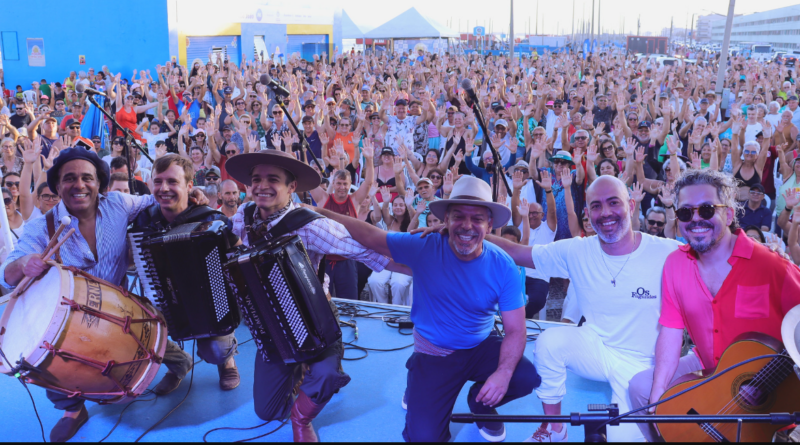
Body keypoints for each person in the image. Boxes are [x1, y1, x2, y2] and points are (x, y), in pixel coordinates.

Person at [316, 175, 540, 442]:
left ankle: (480, 403)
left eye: (477, 219)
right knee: (424, 438)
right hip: (436, 353)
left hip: (481, 345)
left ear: (489, 224)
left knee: (526, 377)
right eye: (458, 216)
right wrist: (313, 211)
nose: (467, 226)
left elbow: (516, 330)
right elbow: (370, 235)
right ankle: (417, 374)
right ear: (445, 220)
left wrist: (502, 374)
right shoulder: (423, 246)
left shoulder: (503, 265)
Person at [472, 175, 681, 442]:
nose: (605, 213)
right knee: (549, 343)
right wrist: (466, 229)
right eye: (596, 206)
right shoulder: (576, 250)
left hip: (643, 367)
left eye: (613, 203)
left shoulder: (668, 252)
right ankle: (553, 429)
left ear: (630, 205)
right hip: (597, 348)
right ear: (587, 212)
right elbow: (517, 251)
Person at [225, 149, 398, 442]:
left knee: (327, 377)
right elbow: (233, 241)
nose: (262, 185)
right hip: (272, 325)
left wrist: (424, 265)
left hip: (314, 321)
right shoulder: (245, 213)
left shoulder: (309, 224)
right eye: (256, 179)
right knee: (267, 411)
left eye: (273, 179)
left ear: (292, 187)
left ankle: (302, 417)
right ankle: (300, 372)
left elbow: (364, 250)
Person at [0, 148, 169, 442]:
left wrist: (193, 197)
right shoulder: (42, 226)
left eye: (87, 177)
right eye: (69, 179)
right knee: (48, 353)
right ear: (57, 186)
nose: (79, 185)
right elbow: (7, 274)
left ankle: (179, 365)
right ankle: (73, 410)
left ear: (99, 182)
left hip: (123, 308)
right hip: (72, 319)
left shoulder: (118, 203)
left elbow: (155, 198)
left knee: (162, 346)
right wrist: (23, 264)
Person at [627, 169, 800, 442]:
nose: (696, 219)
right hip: (707, 364)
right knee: (640, 389)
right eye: (685, 213)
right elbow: (671, 334)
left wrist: (769, 378)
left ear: (729, 215)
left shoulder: (771, 264)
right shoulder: (675, 264)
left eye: (707, 209)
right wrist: (657, 405)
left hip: (768, 378)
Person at [129, 154, 241, 395]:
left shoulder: (210, 219)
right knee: (135, 331)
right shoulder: (143, 221)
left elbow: (237, 252)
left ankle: (228, 360)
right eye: (158, 182)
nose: (164, 188)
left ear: (190, 186)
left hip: (210, 303)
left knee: (215, 351)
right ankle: (179, 364)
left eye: (172, 182)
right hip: (164, 297)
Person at [309, 140, 375, 300]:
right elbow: (310, 181)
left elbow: (368, 182)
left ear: (350, 184)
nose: (342, 187)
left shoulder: (354, 200)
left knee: (350, 301)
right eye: (338, 183)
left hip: (347, 260)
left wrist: (370, 159)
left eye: (345, 184)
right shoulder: (324, 198)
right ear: (333, 183)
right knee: (322, 302)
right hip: (324, 260)